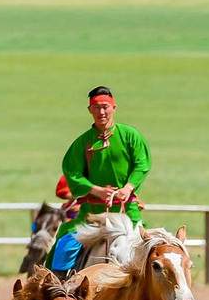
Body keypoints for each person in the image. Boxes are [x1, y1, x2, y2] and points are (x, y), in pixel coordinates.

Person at [47, 86, 151, 276]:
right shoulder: (82, 142)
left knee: (156, 254)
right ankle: (57, 292)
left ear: (114, 108)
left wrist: (128, 188)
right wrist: (96, 190)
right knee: (63, 247)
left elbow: (142, 164)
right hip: (92, 216)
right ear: (90, 110)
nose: (101, 112)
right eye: (96, 107)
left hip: (127, 214)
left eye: (105, 107)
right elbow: (72, 172)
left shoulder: (130, 136)